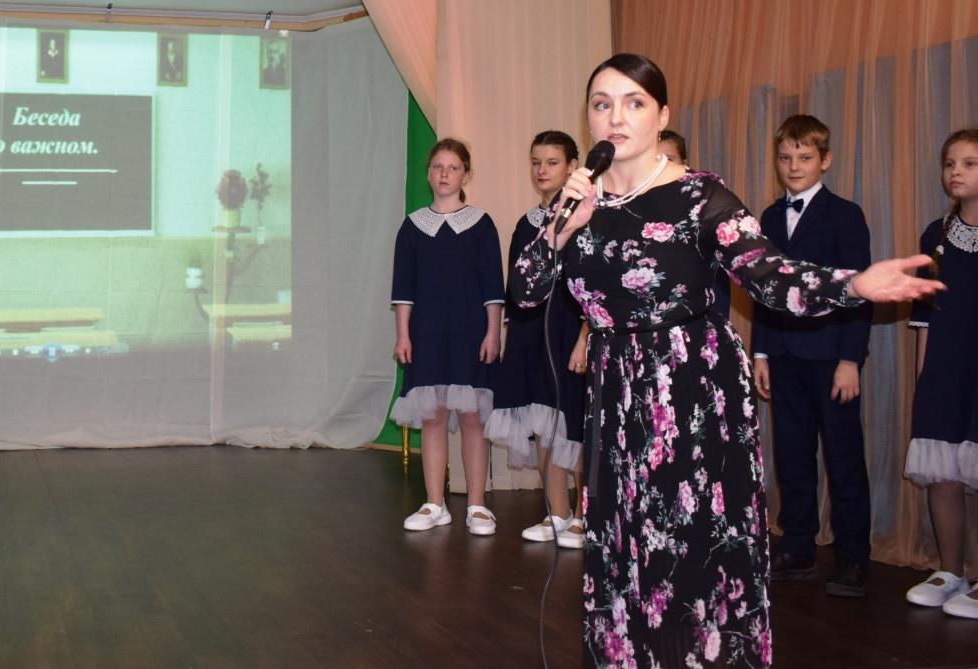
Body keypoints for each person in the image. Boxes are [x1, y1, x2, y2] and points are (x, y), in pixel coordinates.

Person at [509, 53, 944, 668]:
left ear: (662, 115)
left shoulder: (699, 195)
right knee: (625, 546)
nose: (616, 117)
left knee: (684, 549)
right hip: (616, 394)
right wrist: (563, 225)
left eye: (634, 103)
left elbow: (769, 275)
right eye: (602, 104)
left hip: (689, 388)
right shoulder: (579, 200)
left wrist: (854, 285)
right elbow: (525, 293)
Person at [751, 115, 874, 597]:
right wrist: (761, 351)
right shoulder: (767, 218)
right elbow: (763, 289)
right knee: (792, 453)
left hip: (831, 356)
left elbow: (859, 291)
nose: (794, 166)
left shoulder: (845, 214)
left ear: (825, 160)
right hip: (783, 352)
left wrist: (851, 359)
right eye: (785, 157)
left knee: (843, 457)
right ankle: (798, 546)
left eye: (804, 157)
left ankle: (853, 557)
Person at [391, 138, 504, 535]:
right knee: (433, 417)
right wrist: (403, 336)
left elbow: (493, 288)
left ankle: (477, 505)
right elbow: (403, 290)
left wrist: (493, 333)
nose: (444, 174)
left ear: (465, 175)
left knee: (472, 418)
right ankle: (434, 503)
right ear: (428, 174)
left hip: (471, 334)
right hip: (426, 334)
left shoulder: (481, 224)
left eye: (453, 167)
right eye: (438, 166)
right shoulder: (412, 226)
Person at [485, 130, 588, 549]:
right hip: (533, 332)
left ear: (572, 167)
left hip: (573, 331)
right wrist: (513, 338)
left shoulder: (586, 216)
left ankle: (586, 516)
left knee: (576, 421)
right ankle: (557, 511)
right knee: (544, 421)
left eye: (552, 162)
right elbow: (516, 288)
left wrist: (585, 336)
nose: (542, 170)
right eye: (536, 162)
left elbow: (594, 287)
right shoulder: (527, 223)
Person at [903, 127, 978, 619]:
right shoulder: (936, 236)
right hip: (947, 368)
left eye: (969, 163)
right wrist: (923, 380)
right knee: (943, 474)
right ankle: (953, 572)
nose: (956, 172)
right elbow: (925, 317)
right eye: (950, 163)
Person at [658, 128, 731, 320]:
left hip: (699, 322)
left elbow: (718, 277)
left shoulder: (704, 207)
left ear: (685, 164)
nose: (661, 167)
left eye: (669, 159)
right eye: (655, 160)